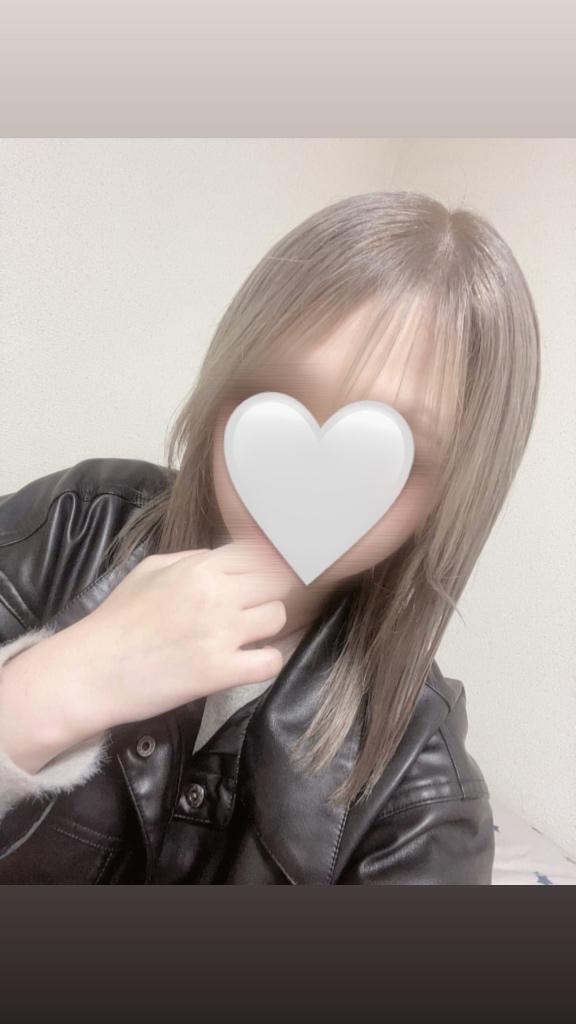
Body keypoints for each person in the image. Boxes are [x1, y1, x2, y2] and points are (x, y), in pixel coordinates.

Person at [0, 190, 540, 883]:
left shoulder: (424, 794)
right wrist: (60, 682)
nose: (307, 483)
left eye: (393, 452)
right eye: (276, 395)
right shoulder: (75, 524)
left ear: (453, 493)